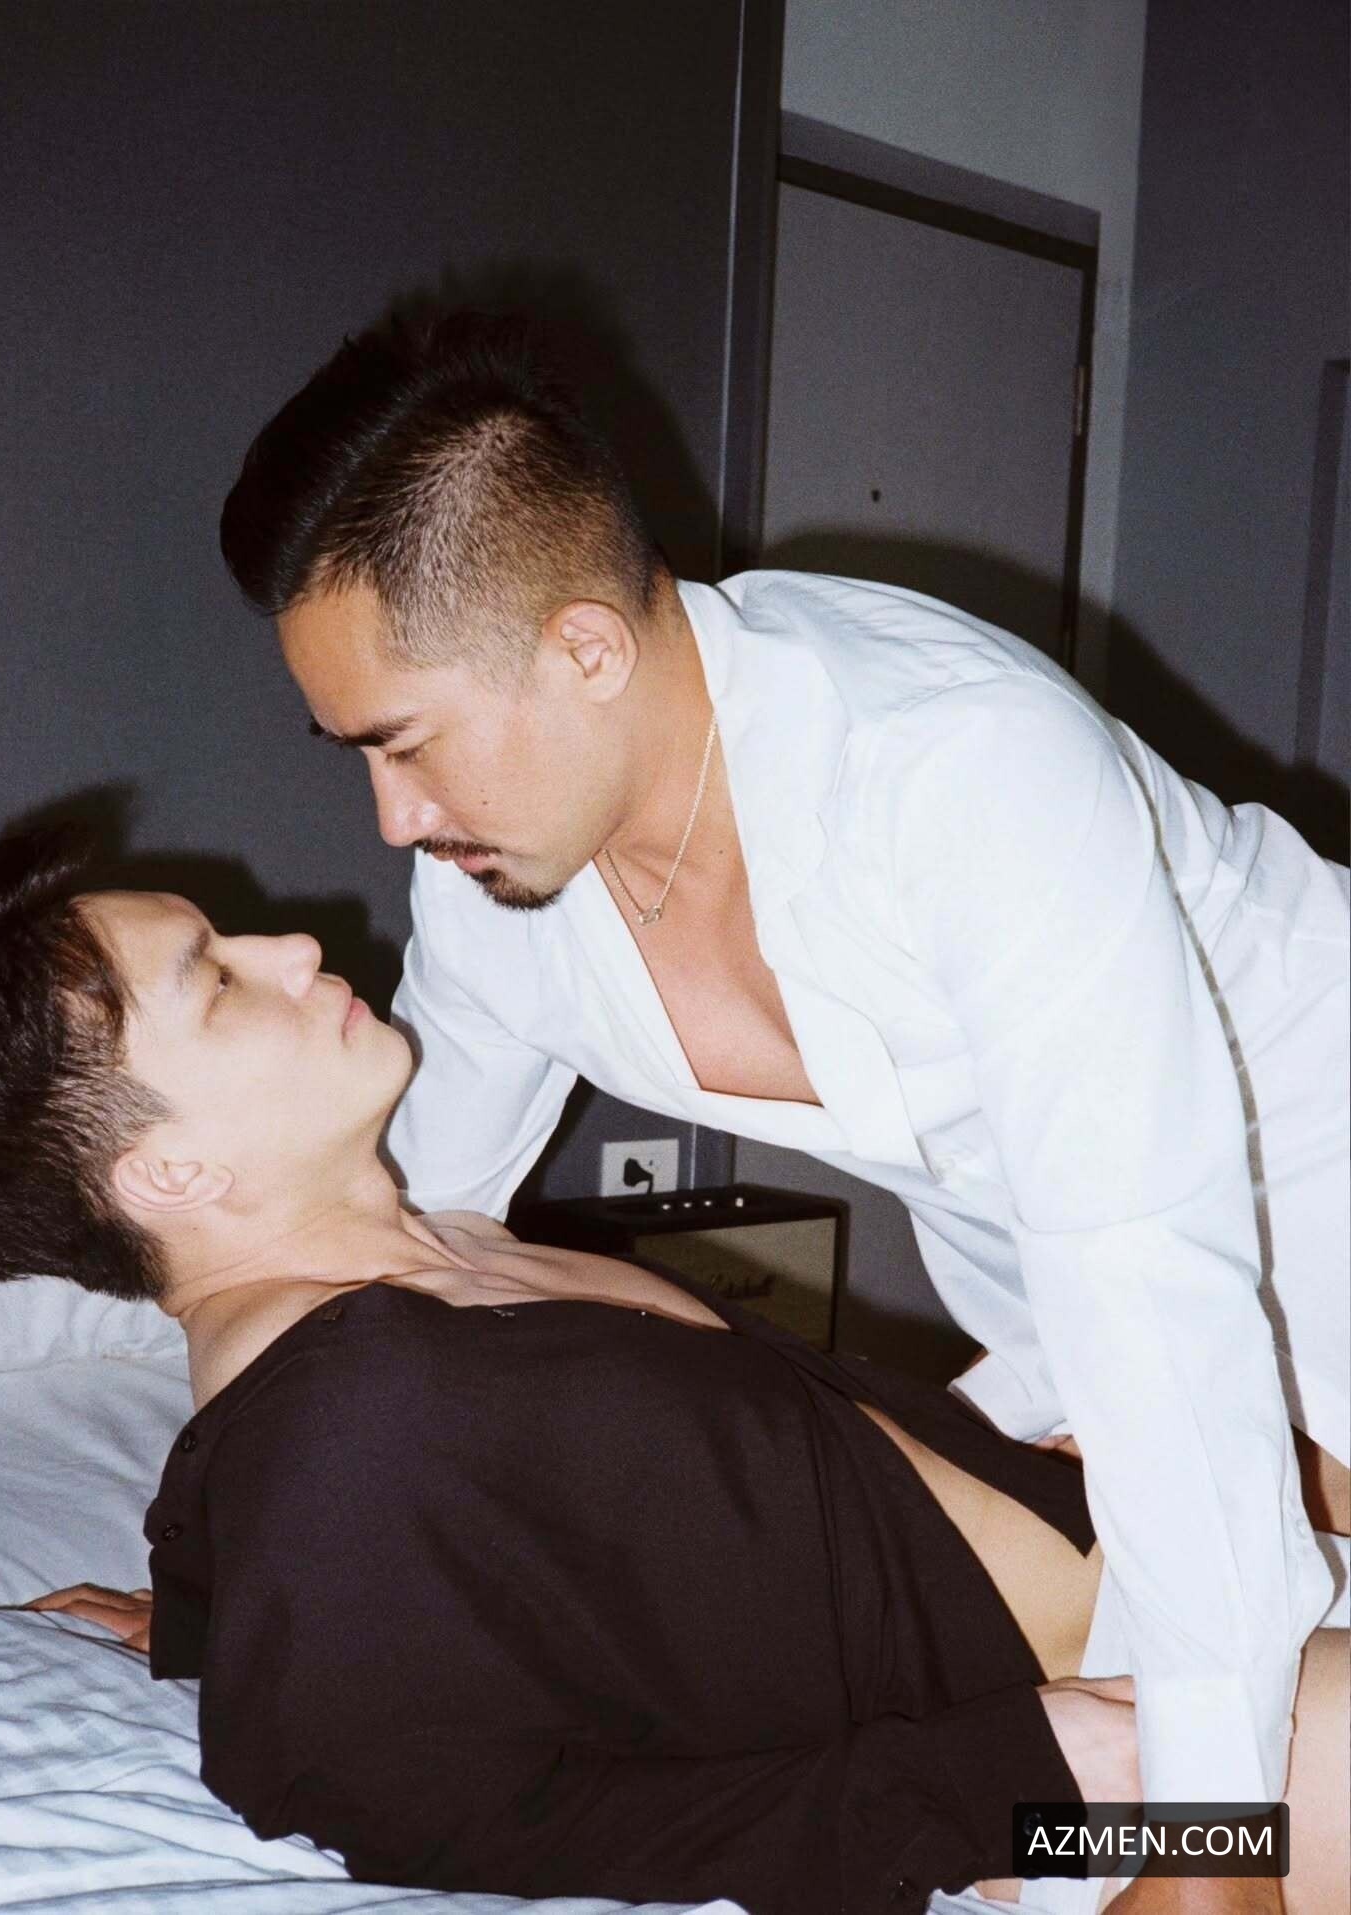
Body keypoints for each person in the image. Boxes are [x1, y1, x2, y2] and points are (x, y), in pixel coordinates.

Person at [213, 313, 1351, 1900]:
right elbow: (397, 1226)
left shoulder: (957, 769)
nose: (393, 819)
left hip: (1294, 1168)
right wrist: (230, 1599)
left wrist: (1211, 1841)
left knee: (1232, 1783)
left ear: (586, 651)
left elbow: (1154, 1280)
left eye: (405, 746)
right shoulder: (496, 897)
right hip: (1095, 1354)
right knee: (1124, 1783)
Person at [0, 830, 1344, 1915]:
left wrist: (205, 1625)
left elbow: (368, 1583)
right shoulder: (343, 1426)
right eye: (218, 983)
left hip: (1186, 1561)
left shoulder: (444, 1261)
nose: (290, 947)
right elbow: (443, 1820)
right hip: (1114, 1769)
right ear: (167, 1173)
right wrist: (1009, 1778)